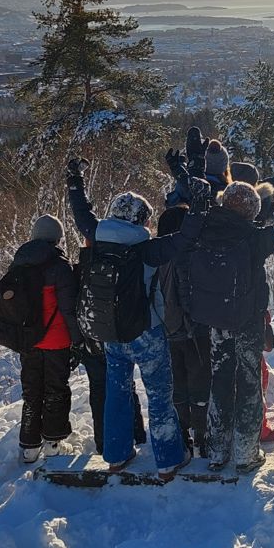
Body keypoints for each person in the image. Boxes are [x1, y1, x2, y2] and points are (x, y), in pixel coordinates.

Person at [66, 159, 208, 478]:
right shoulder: (147, 250)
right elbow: (186, 237)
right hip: (147, 332)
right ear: (142, 220)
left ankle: (116, 455)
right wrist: (199, 205)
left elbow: (81, 214)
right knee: (159, 395)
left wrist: (75, 182)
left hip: (111, 332)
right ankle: (169, 460)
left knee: (116, 392)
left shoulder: (95, 236)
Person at [181, 180, 274, 473]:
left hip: (215, 319)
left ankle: (217, 450)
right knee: (248, 382)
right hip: (247, 319)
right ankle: (245, 454)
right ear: (251, 211)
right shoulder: (253, 237)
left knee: (220, 380)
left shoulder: (205, 228)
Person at [7, 214, 81, 463]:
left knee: (32, 391)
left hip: (28, 340)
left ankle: (28, 446)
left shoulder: (18, 264)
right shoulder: (60, 267)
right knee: (56, 389)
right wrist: (78, 339)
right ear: (57, 237)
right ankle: (53, 442)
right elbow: (69, 308)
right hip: (56, 339)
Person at [157, 203, 211, 458]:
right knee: (199, 380)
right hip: (195, 330)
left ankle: (182, 432)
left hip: (167, 329)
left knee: (177, 383)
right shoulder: (192, 254)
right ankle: (201, 433)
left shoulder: (155, 255)